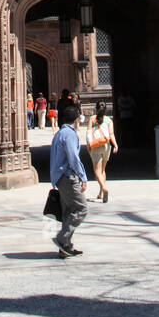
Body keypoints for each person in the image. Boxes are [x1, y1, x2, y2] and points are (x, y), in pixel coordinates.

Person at [49, 102, 88, 257]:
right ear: (77, 119)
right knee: (81, 208)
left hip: (59, 177)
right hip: (67, 177)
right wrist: (83, 176)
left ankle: (66, 247)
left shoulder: (59, 133)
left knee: (68, 211)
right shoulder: (70, 135)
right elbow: (73, 158)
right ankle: (62, 238)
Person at [86, 102, 118, 202]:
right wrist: (115, 145)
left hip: (96, 145)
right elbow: (111, 134)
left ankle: (104, 188)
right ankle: (101, 193)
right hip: (106, 145)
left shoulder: (92, 119)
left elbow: (89, 133)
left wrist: (88, 145)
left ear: (96, 108)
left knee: (97, 172)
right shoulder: (109, 120)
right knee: (103, 170)